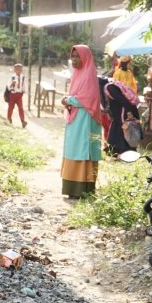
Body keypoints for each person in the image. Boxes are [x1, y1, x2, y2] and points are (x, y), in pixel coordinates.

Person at [59, 45, 103, 197]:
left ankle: (83, 189)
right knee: (73, 149)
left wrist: (69, 99)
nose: (74, 60)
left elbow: (88, 98)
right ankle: (71, 188)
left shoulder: (89, 75)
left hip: (85, 120)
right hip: (75, 119)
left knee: (83, 149)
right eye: (73, 56)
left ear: (85, 58)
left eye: (77, 56)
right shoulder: (77, 74)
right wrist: (68, 99)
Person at [104, 77, 140, 156]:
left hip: (124, 112)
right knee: (115, 132)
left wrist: (129, 112)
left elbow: (123, 100)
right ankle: (113, 152)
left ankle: (126, 153)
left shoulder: (110, 88)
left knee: (124, 132)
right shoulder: (112, 87)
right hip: (119, 114)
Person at [7, 63, 27, 127]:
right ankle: (9, 119)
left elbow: (23, 85)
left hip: (19, 95)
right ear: (14, 70)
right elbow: (8, 87)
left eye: (20, 69)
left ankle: (23, 121)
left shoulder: (22, 77)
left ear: (22, 70)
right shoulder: (12, 77)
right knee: (11, 107)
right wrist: (12, 84)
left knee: (21, 108)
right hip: (12, 94)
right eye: (17, 69)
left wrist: (23, 92)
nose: (19, 71)